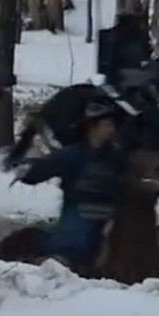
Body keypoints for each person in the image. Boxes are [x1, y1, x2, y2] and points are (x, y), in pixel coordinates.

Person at [13, 99, 129, 274]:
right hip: (75, 228)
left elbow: (121, 190)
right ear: (93, 127)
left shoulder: (115, 157)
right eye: (107, 124)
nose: (112, 129)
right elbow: (35, 173)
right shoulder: (72, 156)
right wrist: (32, 168)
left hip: (107, 226)